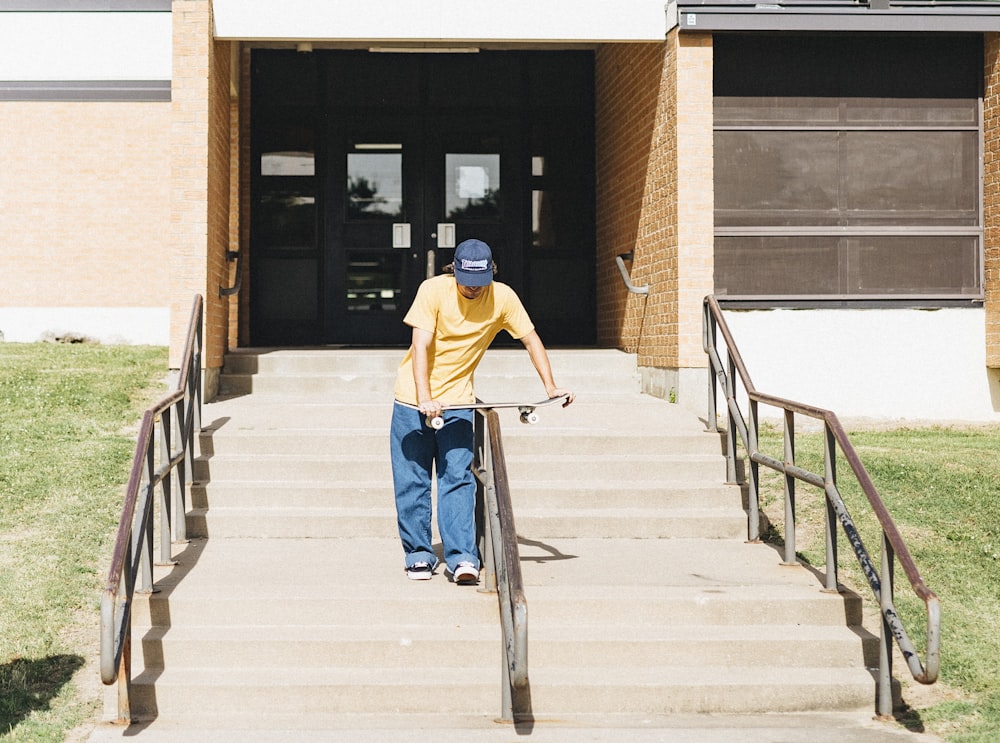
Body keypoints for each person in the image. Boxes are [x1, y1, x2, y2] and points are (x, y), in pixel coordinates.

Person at [390, 238, 575, 584]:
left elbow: (531, 338)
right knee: (412, 481)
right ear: (454, 270)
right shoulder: (433, 290)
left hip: (459, 400)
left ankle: (462, 558)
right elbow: (420, 346)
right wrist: (425, 397)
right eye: (465, 281)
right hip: (412, 399)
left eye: (479, 282)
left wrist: (551, 386)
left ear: (491, 272)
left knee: (457, 479)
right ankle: (418, 554)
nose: (472, 289)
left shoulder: (503, 297)